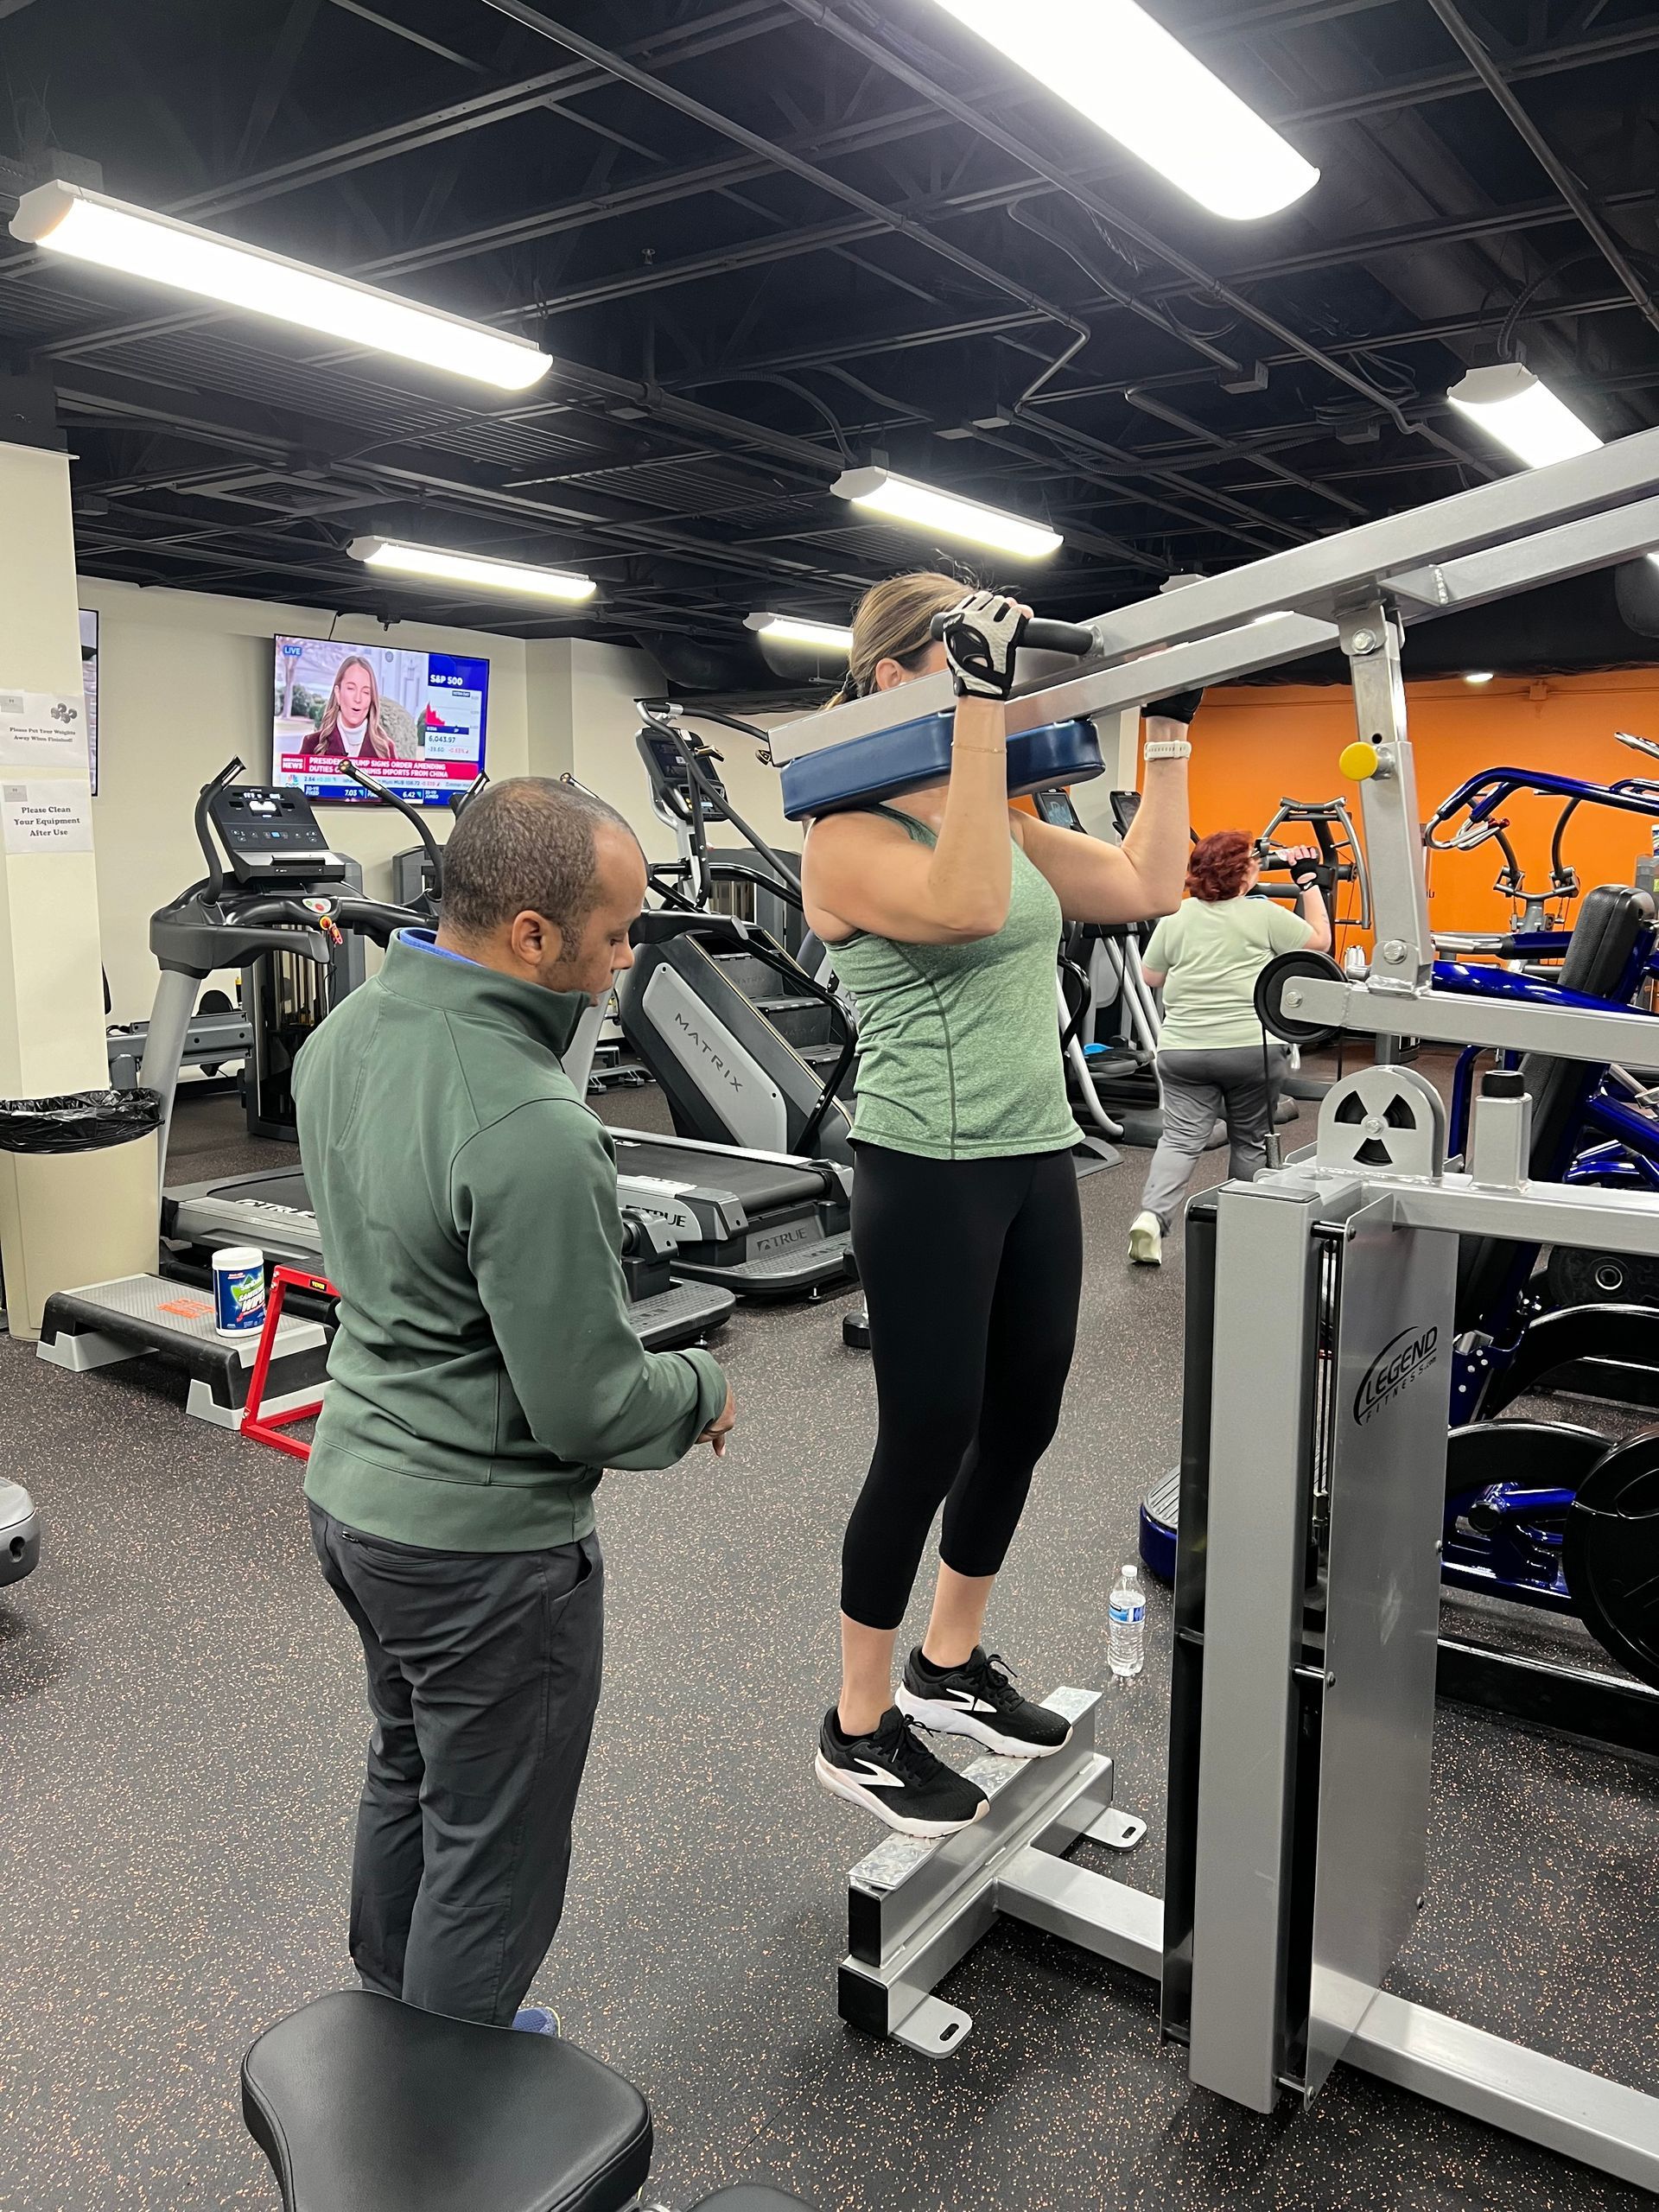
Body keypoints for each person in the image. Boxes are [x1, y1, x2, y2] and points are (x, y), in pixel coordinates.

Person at [294, 778, 734, 2029]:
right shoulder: (532, 1122)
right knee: (496, 1841)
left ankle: (397, 2017)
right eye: (611, 933)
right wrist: (698, 1387)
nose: (624, 959)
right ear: (531, 935)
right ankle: (448, 2101)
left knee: (411, 1763)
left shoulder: (345, 1041)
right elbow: (590, 1405)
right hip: (479, 1553)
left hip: (354, 1505)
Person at [802, 574, 1197, 1838]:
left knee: (1021, 1421)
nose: (1001, 683)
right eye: (969, 662)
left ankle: (949, 1663)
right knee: (925, 1435)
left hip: (1037, 1162)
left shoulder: (1009, 820)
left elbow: (1145, 886)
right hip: (925, 1171)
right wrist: (978, 702)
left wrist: (1175, 725)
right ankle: (858, 1725)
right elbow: (965, 905)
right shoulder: (847, 838)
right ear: (890, 679)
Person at [1128, 830, 1332, 1267]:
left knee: (1180, 1140)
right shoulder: (1262, 915)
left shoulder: (1176, 916)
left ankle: (1151, 1216)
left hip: (1183, 1052)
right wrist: (1309, 883)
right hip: (1250, 1051)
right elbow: (1319, 942)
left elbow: (1150, 977)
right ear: (1243, 876)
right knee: (1251, 1141)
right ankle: (1241, 1232)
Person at [302, 654, 398, 761]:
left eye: (366, 692)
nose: (358, 698)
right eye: (351, 688)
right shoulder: (312, 744)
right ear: (338, 693)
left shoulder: (386, 749)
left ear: (372, 699)